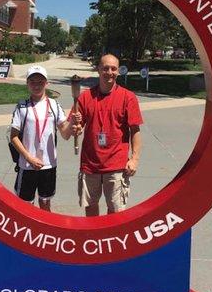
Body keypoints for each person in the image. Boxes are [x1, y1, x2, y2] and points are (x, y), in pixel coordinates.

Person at [72, 54, 143, 216]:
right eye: (105, 68)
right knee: (90, 207)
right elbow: (75, 128)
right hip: (90, 164)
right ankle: (93, 239)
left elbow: (135, 131)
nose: (109, 72)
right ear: (98, 70)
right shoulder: (85, 97)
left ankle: (111, 241)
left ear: (118, 71)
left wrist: (134, 159)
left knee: (115, 211)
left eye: (113, 69)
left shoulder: (128, 98)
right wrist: (75, 128)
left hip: (116, 166)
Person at [10, 65, 74, 211]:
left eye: (40, 82)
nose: (37, 85)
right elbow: (13, 137)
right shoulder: (22, 107)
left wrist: (72, 126)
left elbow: (65, 134)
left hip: (48, 165)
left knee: (45, 204)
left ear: (47, 83)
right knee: (26, 207)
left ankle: (46, 233)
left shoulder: (54, 105)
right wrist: (29, 158)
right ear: (27, 84)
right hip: (27, 165)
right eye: (32, 81)